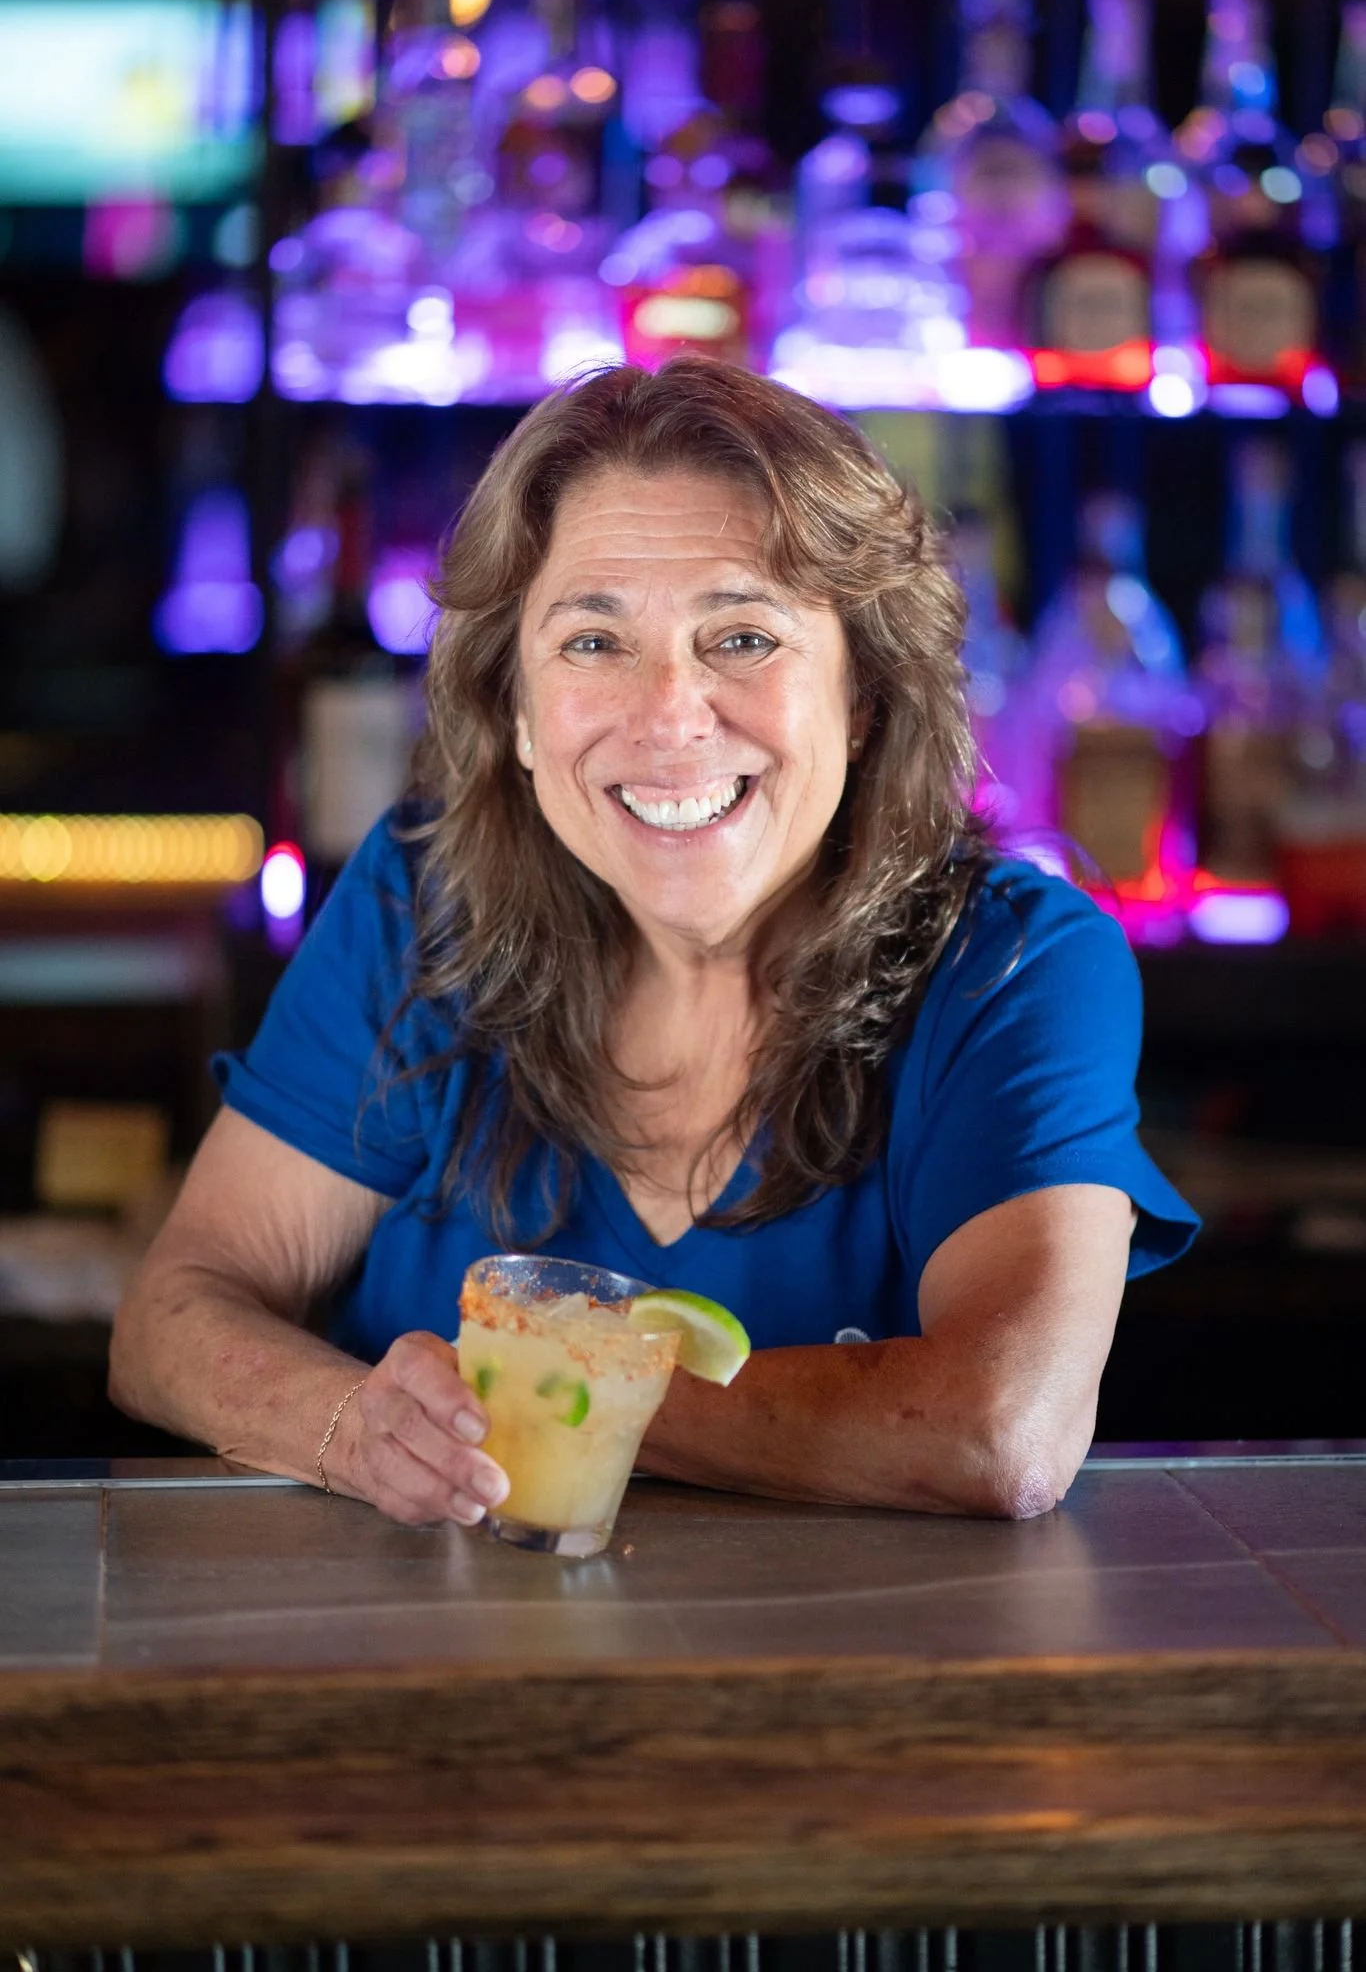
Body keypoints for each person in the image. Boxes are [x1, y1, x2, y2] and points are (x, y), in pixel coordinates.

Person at [109, 359, 1198, 1526]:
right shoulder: (423, 900)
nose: (670, 715)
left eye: (740, 637)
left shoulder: (1016, 963)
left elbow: (1001, 1425)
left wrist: (545, 1400)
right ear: (516, 712)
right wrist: (351, 1426)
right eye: (591, 642)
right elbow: (173, 1316)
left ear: (864, 697)